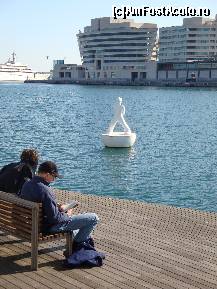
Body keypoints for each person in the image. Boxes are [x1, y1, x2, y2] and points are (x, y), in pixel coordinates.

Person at [20, 161, 99, 246]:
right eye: (54, 177)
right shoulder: (45, 190)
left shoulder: (26, 184)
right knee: (93, 218)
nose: (54, 180)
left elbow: (38, 201)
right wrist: (68, 214)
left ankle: (82, 242)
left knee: (83, 219)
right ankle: (77, 246)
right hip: (47, 227)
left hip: (30, 224)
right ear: (47, 175)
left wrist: (57, 207)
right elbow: (55, 219)